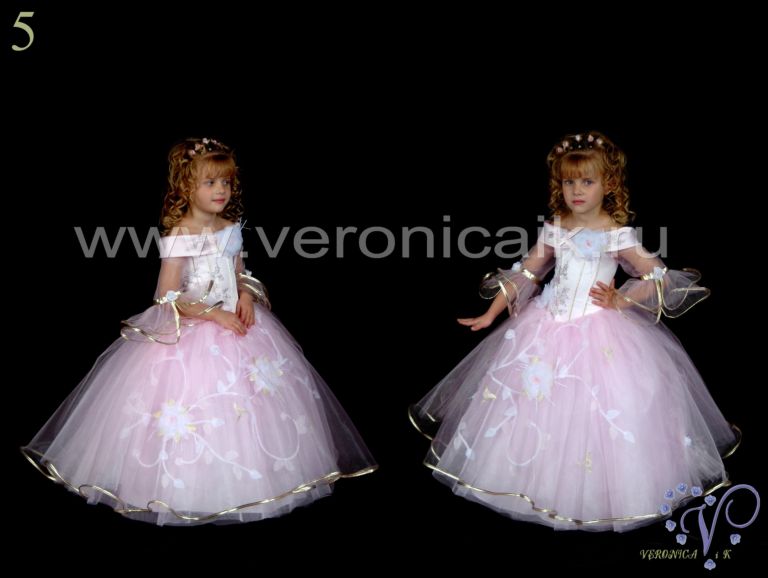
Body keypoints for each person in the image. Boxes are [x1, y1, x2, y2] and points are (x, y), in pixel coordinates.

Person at [21, 137, 376, 525]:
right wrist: (214, 314)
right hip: (193, 333)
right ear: (186, 187)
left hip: (239, 328)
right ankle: (187, 488)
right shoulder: (180, 235)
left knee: (253, 405)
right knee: (192, 409)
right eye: (210, 183)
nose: (221, 190)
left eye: (226, 182)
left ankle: (249, 482)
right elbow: (166, 296)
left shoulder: (231, 229)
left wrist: (245, 294)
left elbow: (239, 273)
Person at [409, 131, 739, 532]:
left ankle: (597, 495)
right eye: (568, 182)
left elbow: (656, 274)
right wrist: (490, 314)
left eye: (587, 181)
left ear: (608, 184)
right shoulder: (555, 228)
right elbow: (527, 273)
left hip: (599, 335)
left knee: (599, 413)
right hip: (545, 328)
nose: (576, 190)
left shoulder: (616, 234)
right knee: (532, 409)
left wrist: (622, 299)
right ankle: (534, 487)